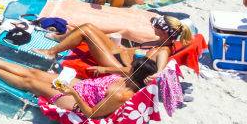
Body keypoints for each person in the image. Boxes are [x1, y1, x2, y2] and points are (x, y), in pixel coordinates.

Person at [0, 39, 158, 120]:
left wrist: (73, 93)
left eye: (132, 66)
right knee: (34, 73)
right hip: (82, 86)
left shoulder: (121, 94)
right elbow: (126, 55)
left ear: (135, 72)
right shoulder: (128, 77)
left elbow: (91, 113)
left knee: (31, 83)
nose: (128, 66)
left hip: (77, 102)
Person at [36, 18, 191, 82]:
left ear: (164, 32)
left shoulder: (162, 52)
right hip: (118, 52)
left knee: (85, 32)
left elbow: (152, 73)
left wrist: (105, 69)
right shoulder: (160, 41)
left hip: (116, 64)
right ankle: (61, 38)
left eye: (157, 25)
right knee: (88, 26)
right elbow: (137, 51)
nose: (153, 27)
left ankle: (51, 53)